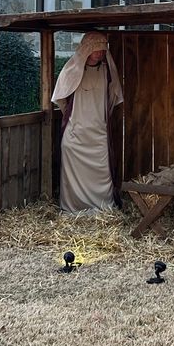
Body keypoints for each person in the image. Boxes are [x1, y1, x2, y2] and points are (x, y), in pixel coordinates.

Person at [52, 32, 124, 213]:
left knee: (102, 173)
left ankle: (103, 208)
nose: (99, 53)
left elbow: (114, 95)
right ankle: (73, 207)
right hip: (75, 133)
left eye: (102, 50)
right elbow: (61, 98)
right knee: (72, 172)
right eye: (95, 49)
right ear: (86, 49)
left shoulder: (107, 70)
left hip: (98, 133)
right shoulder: (72, 69)